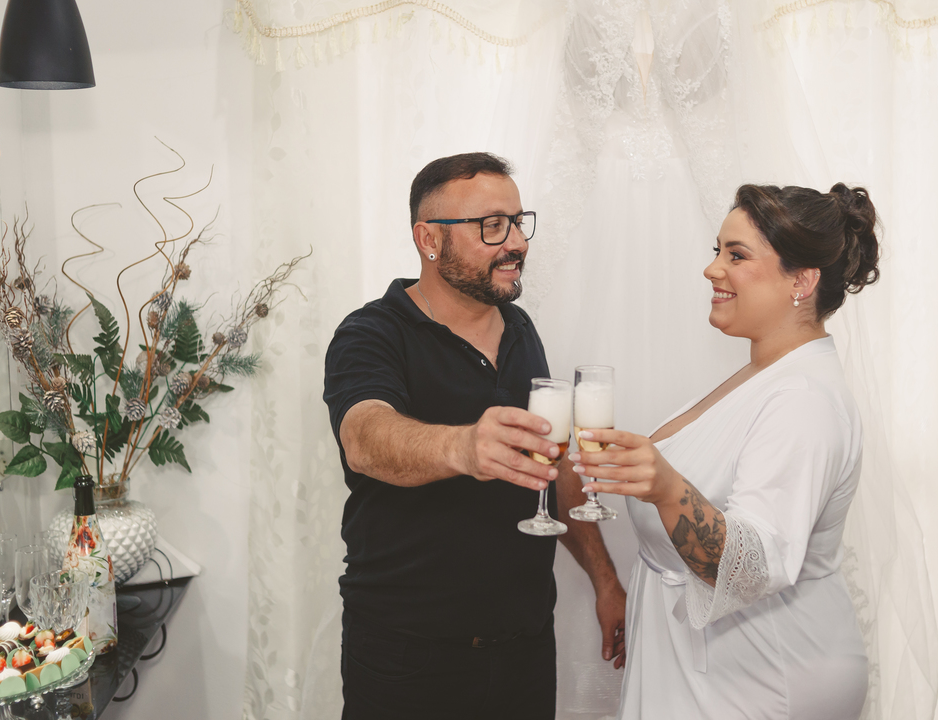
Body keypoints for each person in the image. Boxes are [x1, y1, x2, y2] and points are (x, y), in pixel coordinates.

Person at [323, 152, 626, 720]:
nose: (517, 243)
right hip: (406, 658)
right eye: (492, 226)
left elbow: (552, 461)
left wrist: (605, 580)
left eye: (518, 222)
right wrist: (463, 448)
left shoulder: (519, 327)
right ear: (429, 239)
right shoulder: (372, 331)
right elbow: (364, 437)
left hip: (525, 650)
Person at [574, 182, 879, 719]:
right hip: (713, 665)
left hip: (763, 675)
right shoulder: (764, 374)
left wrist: (667, 488)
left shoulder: (803, 400)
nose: (712, 269)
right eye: (717, 251)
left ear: (802, 281)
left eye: (736, 255)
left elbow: (752, 568)